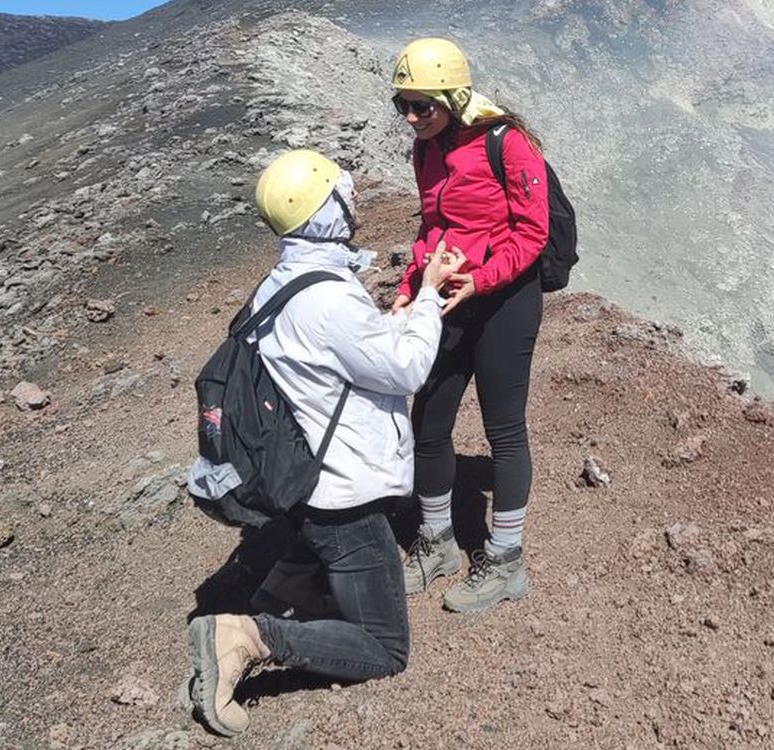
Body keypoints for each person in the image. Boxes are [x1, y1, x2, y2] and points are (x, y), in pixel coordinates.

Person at [186, 149, 462, 736]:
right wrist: (430, 296)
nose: (354, 200)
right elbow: (406, 369)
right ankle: (248, 637)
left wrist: (395, 318)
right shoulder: (329, 296)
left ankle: (282, 589)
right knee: (384, 646)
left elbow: (343, 358)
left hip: (304, 479)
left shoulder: (286, 282)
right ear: (326, 212)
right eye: (343, 194)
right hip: (343, 497)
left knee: (324, 552)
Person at [390, 38, 550, 612]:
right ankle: (437, 544)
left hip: (506, 301)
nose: (411, 118)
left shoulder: (508, 142)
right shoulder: (426, 148)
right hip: (449, 295)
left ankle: (505, 562)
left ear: (453, 97)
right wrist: (411, 287)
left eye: (422, 106)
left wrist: (481, 281)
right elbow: (433, 226)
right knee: (428, 420)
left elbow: (533, 233)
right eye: (403, 105)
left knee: (503, 429)